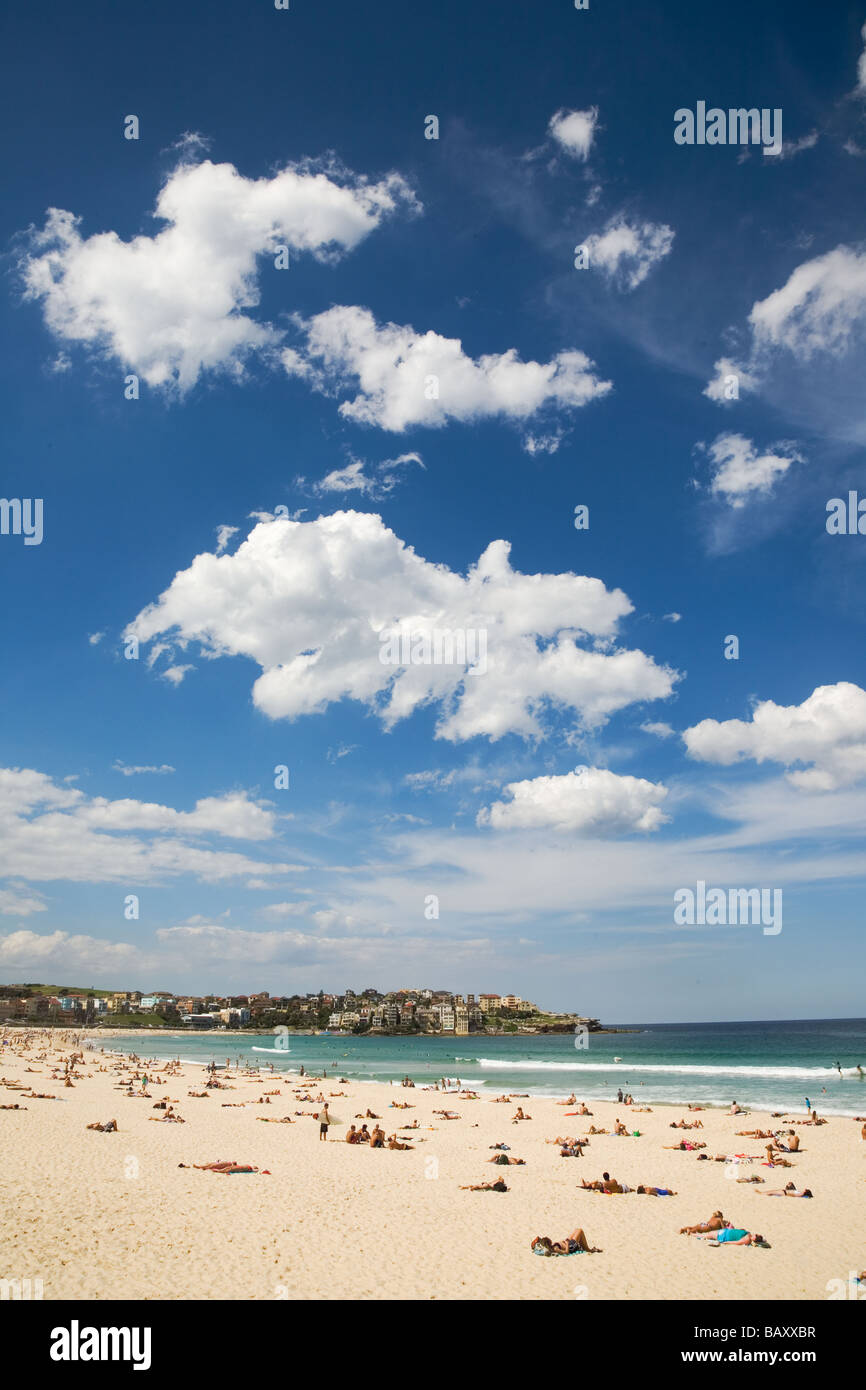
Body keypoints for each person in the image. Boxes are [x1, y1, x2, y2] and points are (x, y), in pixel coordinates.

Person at [531, 1228, 600, 1255]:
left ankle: (585, 1247)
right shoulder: (555, 1248)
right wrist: (566, 1244)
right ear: (548, 1242)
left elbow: (539, 1245)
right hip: (570, 1246)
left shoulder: (551, 1246)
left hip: (567, 1242)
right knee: (580, 1231)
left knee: (576, 1230)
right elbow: (566, 1252)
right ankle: (588, 1249)